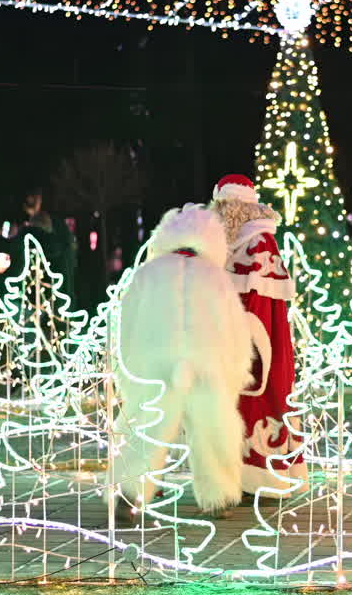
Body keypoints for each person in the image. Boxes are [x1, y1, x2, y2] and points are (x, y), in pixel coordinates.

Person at [112, 204, 255, 516]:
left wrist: (127, 373)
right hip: (207, 363)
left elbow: (126, 326)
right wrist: (236, 371)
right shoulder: (216, 277)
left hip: (154, 363)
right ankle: (220, 497)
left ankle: (128, 491)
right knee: (212, 426)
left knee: (145, 424)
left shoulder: (146, 274)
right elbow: (236, 331)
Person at [208, 174, 305, 496]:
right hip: (228, 338)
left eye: (223, 206)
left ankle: (262, 480)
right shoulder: (227, 241)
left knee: (260, 402)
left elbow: (259, 303)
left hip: (254, 342)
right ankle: (232, 477)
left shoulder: (258, 241)